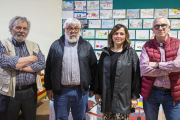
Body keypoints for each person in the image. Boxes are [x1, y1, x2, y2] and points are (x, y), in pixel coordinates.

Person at [44, 18, 97, 120]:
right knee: (61, 118)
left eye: (76, 28)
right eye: (69, 28)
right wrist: (49, 88)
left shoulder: (87, 46)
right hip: (61, 91)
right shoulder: (55, 46)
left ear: (80, 30)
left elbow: (93, 68)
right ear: (64, 30)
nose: (73, 31)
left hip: (81, 91)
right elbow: (49, 68)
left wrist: (93, 88)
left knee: (80, 118)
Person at [0, 16, 46, 120]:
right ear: (11, 29)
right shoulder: (2, 44)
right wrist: (30, 59)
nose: (21, 31)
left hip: (30, 92)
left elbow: (42, 64)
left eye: (24, 28)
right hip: (10, 93)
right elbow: (4, 63)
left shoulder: (34, 45)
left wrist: (16, 64)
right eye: (18, 27)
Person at [94, 24, 141, 120]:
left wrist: (134, 97)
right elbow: (98, 74)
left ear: (126, 36)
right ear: (111, 36)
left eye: (121, 34)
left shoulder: (131, 53)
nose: (118, 36)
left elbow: (136, 76)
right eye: (116, 33)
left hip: (124, 98)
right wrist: (97, 92)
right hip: (107, 98)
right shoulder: (105, 53)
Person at [140, 17, 180, 120]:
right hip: (151, 91)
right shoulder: (147, 46)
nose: (160, 28)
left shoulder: (178, 44)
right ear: (153, 30)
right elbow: (144, 69)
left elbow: (179, 65)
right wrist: (170, 70)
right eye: (157, 26)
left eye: (163, 25)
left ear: (169, 28)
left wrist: (157, 64)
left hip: (172, 92)